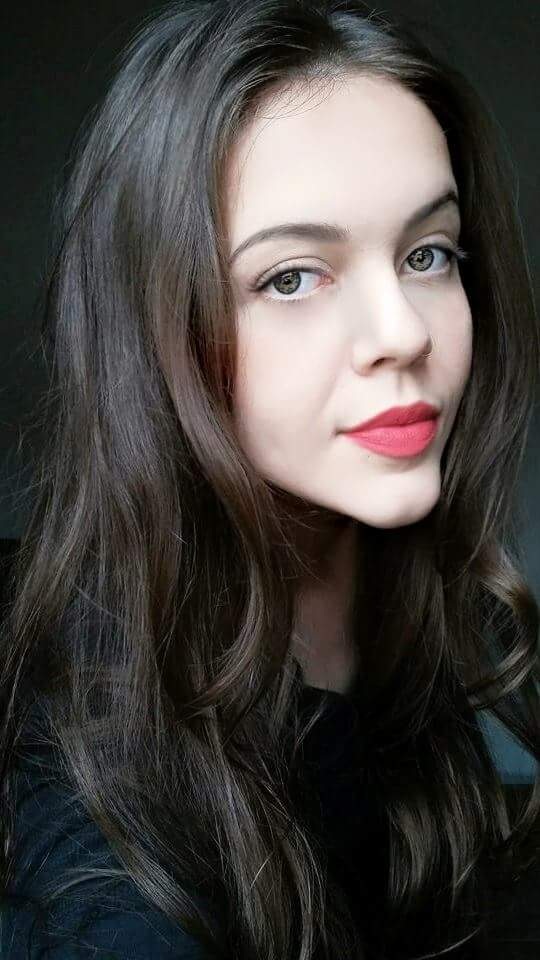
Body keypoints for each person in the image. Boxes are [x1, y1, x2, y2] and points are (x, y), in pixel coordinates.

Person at [1, 1, 539, 957]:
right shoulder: (104, 837)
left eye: (427, 255)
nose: (403, 332)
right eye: (292, 277)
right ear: (159, 333)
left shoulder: (415, 600)